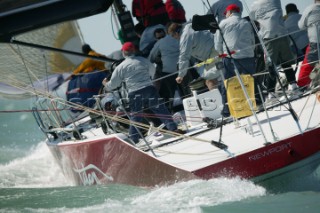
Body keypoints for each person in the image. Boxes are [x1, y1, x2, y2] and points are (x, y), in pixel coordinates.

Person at [102, 42, 180, 144]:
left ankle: (134, 139)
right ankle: (173, 129)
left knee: (136, 116)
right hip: (149, 88)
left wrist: (105, 84)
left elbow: (113, 85)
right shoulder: (144, 61)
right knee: (161, 109)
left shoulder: (120, 67)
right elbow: (152, 72)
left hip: (134, 93)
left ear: (123, 52)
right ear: (134, 50)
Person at [250, 0, 300, 102]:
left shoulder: (255, 4)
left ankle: (271, 94)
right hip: (282, 33)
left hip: (268, 37)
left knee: (271, 66)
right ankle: (294, 86)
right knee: (286, 63)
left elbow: (252, 18)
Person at [215, 4, 256, 117]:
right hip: (248, 56)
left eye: (226, 13)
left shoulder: (223, 23)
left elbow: (217, 43)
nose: (226, 15)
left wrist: (220, 55)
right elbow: (252, 40)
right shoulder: (246, 23)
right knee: (249, 82)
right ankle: (252, 104)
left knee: (227, 84)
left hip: (231, 58)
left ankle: (227, 110)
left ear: (230, 12)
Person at [176, 22, 220, 91]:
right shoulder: (190, 25)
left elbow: (184, 57)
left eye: (173, 36)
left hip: (213, 52)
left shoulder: (185, 36)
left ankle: (221, 100)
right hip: (217, 46)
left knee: (210, 80)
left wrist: (180, 75)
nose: (175, 39)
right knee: (215, 78)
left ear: (176, 33)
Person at [149, 23, 182, 111]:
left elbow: (151, 58)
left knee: (168, 91)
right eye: (159, 38)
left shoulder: (162, 43)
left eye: (161, 37)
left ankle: (169, 108)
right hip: (177, 68)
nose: (160, 39)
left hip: (173, 70)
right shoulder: (174, 39)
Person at [298, 0, 320, 86]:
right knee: (317, 64)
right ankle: (314, 79)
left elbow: (301, 26)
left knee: (308, 64)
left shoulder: (311, 8)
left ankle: (302, 86)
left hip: (315, 42)